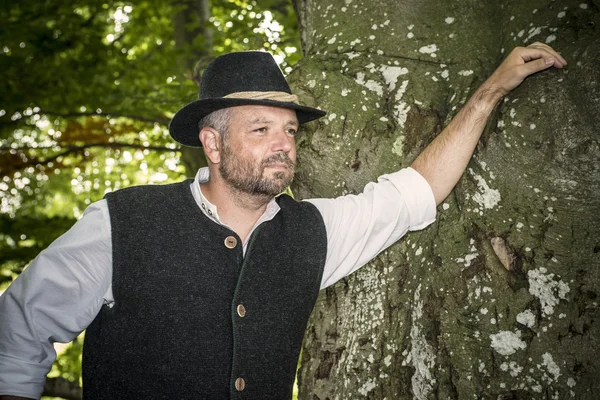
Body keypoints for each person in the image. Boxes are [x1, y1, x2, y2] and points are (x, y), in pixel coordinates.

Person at [0, 44, 566, 399]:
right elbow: (17, 333)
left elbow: (414, 190)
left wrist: (491, 92)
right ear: (212, 145)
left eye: (290, 130)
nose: (283, 144)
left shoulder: (313, 233)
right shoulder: (122, 223)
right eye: (261, 129)